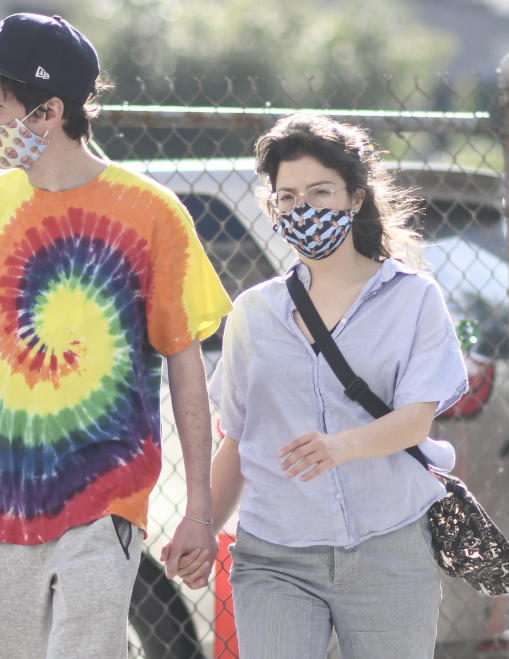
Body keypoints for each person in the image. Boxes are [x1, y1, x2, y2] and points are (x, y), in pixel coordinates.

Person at [0, 13, 232, 658]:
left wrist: (200, 506)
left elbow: (184, 359)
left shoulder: (152, 214)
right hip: (0, 500)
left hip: (107, 493)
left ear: (49, 111)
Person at [165, 112, 469, 658]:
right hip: (275, 555)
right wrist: (202, 523)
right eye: (287, 197)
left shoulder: (414, 298)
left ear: (355, 197)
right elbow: (237, 439)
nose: (303, 207)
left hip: (389, 546)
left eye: (321, 190)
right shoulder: (254, 313)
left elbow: (416, 420)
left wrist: (338, 447)